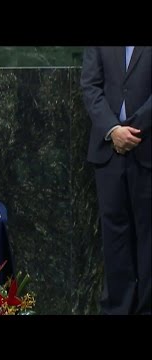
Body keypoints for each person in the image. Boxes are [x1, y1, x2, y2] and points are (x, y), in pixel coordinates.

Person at [81, 46, 151, 315]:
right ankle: (118, 309)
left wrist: (132, 129)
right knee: (114, 239)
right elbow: (90, 86)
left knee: (148, 237)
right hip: (108, 151)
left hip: (146, 147)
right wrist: (113, 130)